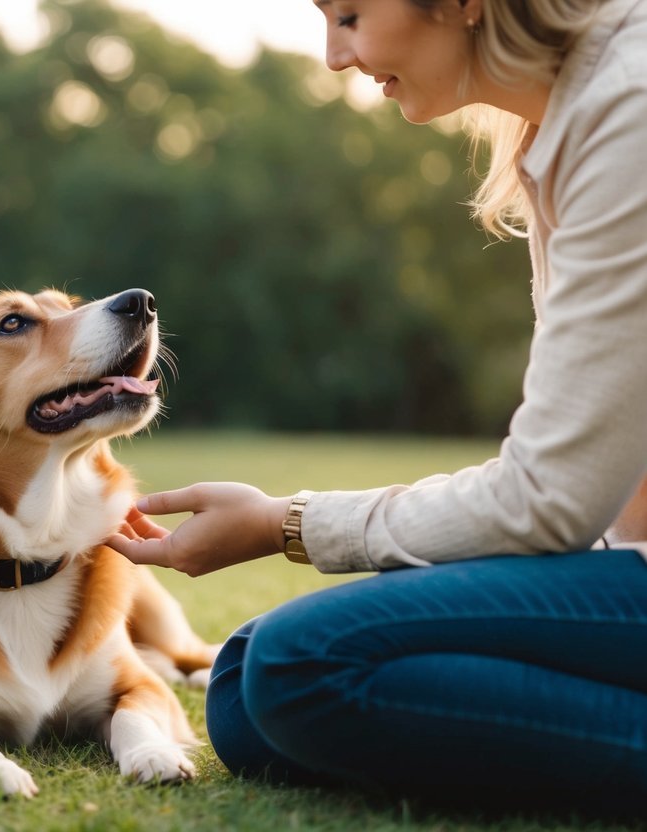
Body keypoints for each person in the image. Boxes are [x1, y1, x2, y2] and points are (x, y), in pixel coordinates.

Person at [109, 0, 647, 816]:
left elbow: (547, 501)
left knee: (300, 664)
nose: (331, 55)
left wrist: (282, 523)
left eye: (350, 13)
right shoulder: (561, 126)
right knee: (244, 690)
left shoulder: (627, 114)